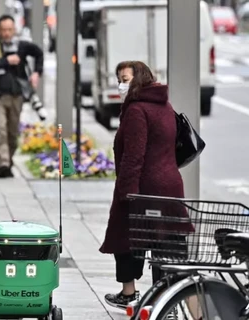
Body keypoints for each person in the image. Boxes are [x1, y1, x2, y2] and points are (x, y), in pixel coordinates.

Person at [100, 61, 194, 310]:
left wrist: (126, 191)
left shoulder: (136, 110)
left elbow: (134, 155)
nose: (122, 85)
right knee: (166, 241)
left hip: (144, 186)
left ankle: (129, 293)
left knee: (127, 235)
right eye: (119, 79)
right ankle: (168, 300)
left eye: (126, 79)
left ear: (140, 78)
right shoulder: (164, 105)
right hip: (170, 184)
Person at [0, 14, 43, 178]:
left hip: (17, 95)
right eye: (4, 30)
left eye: (10, 30)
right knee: (0, 130)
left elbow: (38, 53)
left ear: (14, 30)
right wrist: (6, 61)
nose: (7, 33)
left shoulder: (21, 45)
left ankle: (9, 158)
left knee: (12, 133)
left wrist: (37, 73)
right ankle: (4, 165)